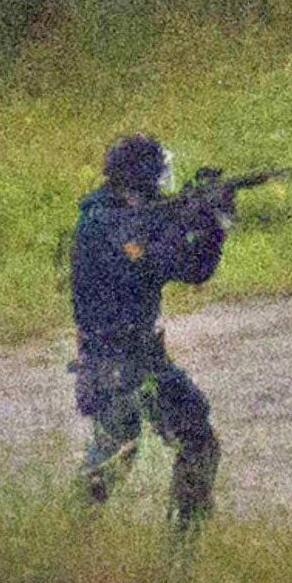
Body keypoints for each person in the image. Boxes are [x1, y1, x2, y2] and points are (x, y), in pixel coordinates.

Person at [70, 133, 230, 529]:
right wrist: (194, 217)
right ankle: (65, 545)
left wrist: (213, 224)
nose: (163, 182)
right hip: (113, 362)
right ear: (140, 177)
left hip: (141, 357)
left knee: (196, 443)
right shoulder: (102, 223)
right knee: (115, 456)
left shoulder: (132, 217)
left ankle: (182, 555)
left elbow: (194, 270)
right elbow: (153, 260)